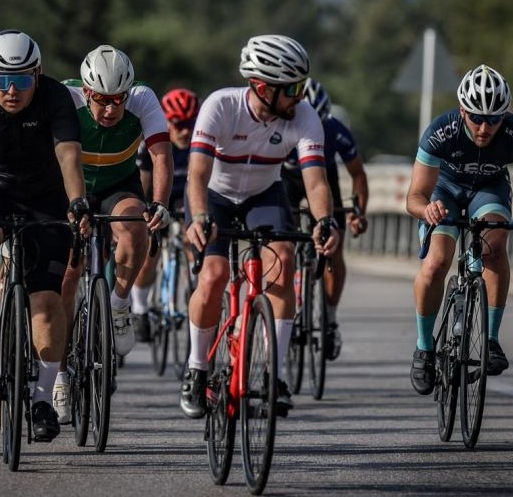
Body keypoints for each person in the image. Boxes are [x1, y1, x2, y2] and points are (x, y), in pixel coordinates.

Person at [179, 35, 337, 419]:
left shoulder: (304, 116)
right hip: (215, 197)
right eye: (292, 88)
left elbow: (316, 182)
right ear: (263, 88)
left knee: (283, 261)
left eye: (302, 86)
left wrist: (324, 221)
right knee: (213, 275)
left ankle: (274, 376)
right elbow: (197, 175)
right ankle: (197, 369)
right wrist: (198, 217)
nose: (300, 96)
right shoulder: (221, 106)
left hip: (265, 194)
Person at [0, 30, 89, 443]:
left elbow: (69, 155)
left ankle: (43, 398)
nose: (12, 91)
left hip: (46, 196)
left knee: (46, 303)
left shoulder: (56, 97)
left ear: (38, 75)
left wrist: (77, 202)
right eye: (3, 81)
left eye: (23, 80)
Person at [405, 64, 513, 395]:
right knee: (437, 262)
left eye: (493, 120)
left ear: (504, 116)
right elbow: (414, 196)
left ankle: (491, 340)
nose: (484, 128)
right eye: (476, 118)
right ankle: (424, 349)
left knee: (495, 244)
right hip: (445, 190)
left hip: (489, 189)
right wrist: (427, 210)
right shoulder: (441, 131)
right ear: (462, 111)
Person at [56, 44, 173, 421]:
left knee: (137, 228)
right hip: (69, 186)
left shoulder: (143, 99)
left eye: (118, 100)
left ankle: (120, 304)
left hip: (117, 185)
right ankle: (58, 374)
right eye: (102, 100)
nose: (111, 109)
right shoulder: (65, 97)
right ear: (86, 92)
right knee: (67, 275)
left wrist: (159, 203)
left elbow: (161, 156)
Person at [280, 77, 369, 360]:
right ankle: (289, 300)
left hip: (323, 176)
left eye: (319, 124)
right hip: (288, 177)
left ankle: (329, 319)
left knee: (334, 247)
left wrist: (358, 212)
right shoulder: (282, 123)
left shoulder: (335, 130)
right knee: (284, 242)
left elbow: (358, 174)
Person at [131, 87, 199, 342]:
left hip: (187, 198)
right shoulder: (152, 143)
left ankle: (195, 286)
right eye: (179, 125)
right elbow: (143, 186)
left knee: (193, 240)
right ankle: (140, 308)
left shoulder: (201, 142)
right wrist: (144, 214)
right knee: (151, 251)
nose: (185, 132)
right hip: (160, 196)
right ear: (167, 122)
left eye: (190, 124)